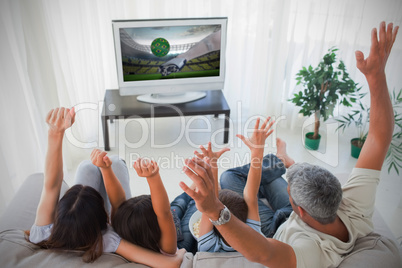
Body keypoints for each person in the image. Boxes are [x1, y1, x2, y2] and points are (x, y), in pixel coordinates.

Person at [179, 21, 399, 268]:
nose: (288, 188)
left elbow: (262, 254)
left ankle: (279, 162)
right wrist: (376, 76)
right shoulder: (355, 204)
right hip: (296, 211)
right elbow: (379, 138)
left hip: (278, 226)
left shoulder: (310, 251)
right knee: (253, 182)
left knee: (230, 178)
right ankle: (281, 161)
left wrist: (214, 209)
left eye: (291, 189)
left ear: (301, 211)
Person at [27, 107, 185, 267]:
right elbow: (124, 206)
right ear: (105, 220)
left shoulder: (42, 233)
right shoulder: (106, 239)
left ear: (58, 216)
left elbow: (51, 185)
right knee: (114, 162)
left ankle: (106, 165)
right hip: (155, 226)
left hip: (131, 222)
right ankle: (111, 164)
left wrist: (55, 133)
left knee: (87, 168)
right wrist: (182, 253)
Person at [196, 117, 275, 252]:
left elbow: (212, 204)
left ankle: (278, 161)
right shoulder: (254, 236)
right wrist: (257, 151)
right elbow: (250, 196)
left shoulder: (207, 247)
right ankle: (278, 160)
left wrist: (213, 166)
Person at [90, 150, 177, 256]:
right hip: (180, 235)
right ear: (158, 227)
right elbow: (164, 213)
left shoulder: (118, 233)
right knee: (183, 203)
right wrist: (153, 177)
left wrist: (105, 169)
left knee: (181, 203)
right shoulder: (167, 250)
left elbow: (117, 202)